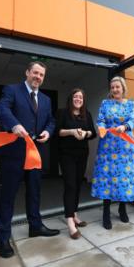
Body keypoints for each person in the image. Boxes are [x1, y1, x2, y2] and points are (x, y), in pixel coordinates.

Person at [0, 61, 59, 258]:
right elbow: (2, 108)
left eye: (41, 75)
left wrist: (48, 132)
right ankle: (4, 239)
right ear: (27, 72)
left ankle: (35, 226)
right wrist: (14, 125)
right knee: (8, 197)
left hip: (35, 154)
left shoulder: (46, 100)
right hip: (13, 154)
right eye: (35, 73)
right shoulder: (12, 90)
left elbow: (51, 121)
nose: (38, 77)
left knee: (34, 192)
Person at [92, 76, 134, 230]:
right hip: (107, 146)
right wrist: (100, 127)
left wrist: (125, 126)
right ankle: (106, 211)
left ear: (123, 88)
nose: (114, 90)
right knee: (108, 177)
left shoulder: (131, 104)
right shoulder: (105, 103)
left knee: (122, 177)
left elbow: (133, 120)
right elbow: (100, 120)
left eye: (117, 87)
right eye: (112, 87)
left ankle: (122, 208)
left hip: (125, 146)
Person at [56, 88, 97, 239]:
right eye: (75, 96)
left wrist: (86, 133)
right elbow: (58, 131)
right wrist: (72, 132)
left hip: (82, 154)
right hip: (66, 154)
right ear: (71, 98)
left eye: (80, 97)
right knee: (70, 185)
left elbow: (93, 133)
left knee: (78, 184)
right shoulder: (62, 113)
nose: (78, 99)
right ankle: (70, 222)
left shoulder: (87, 114)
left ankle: (74, 215)